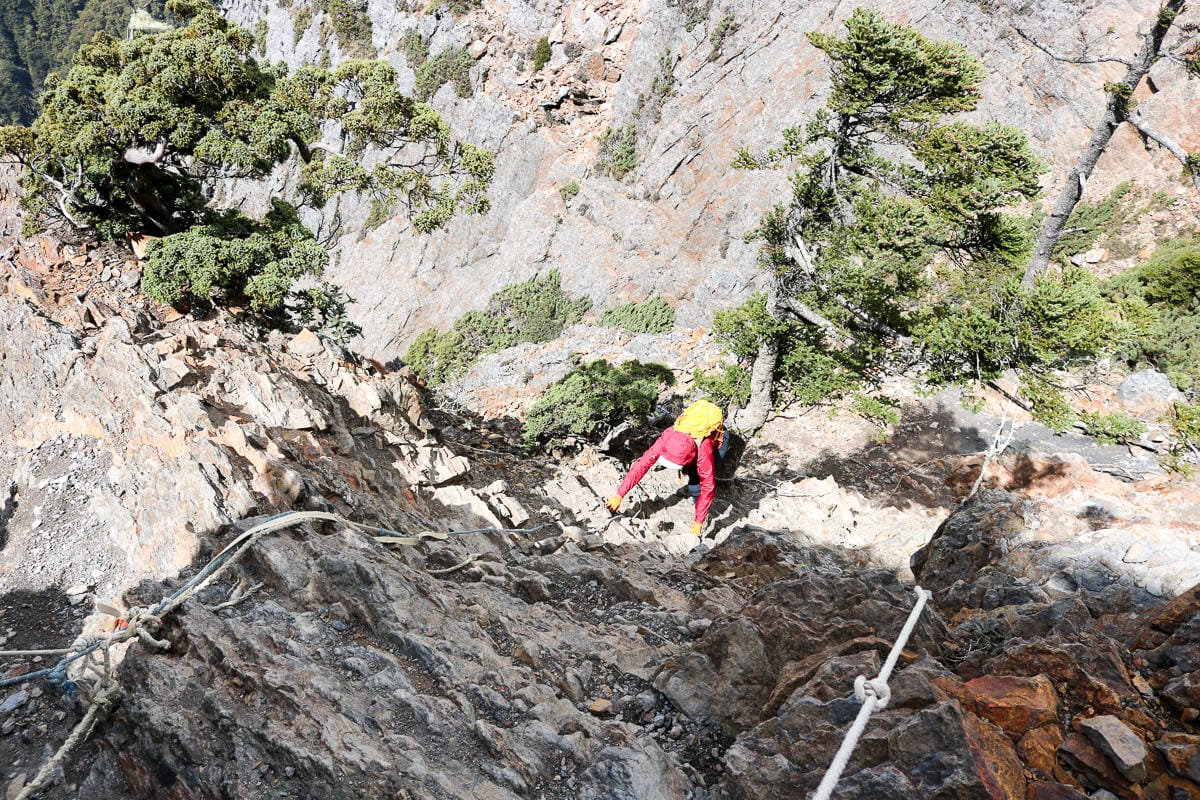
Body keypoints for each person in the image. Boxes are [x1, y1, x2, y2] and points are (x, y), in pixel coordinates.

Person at [605, 399, 731, 536]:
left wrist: (698, 522)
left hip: (719, 440)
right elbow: (641, 464)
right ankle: (695, 491)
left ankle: (697, 502)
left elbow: (708, 485)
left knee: (697, 480)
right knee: (694, 475)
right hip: (691, 448)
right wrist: (619, 495)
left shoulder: (703, 450)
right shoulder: (668, 435)